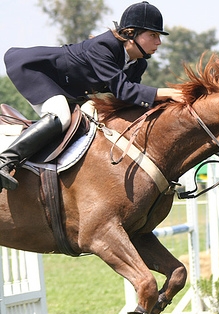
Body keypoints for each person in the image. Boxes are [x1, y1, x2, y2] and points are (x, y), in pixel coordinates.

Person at [0, 1, 183, 192]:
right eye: (153, 35)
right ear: (131, 33)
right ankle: (5, 161)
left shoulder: (138, 64)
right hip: (35, 71)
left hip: (68, 88)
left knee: (90, 114)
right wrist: (167, 92)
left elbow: (130, 100)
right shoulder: (104, 46)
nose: (159, 42)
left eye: (159, 36)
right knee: (61, 116)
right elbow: (124, 90)